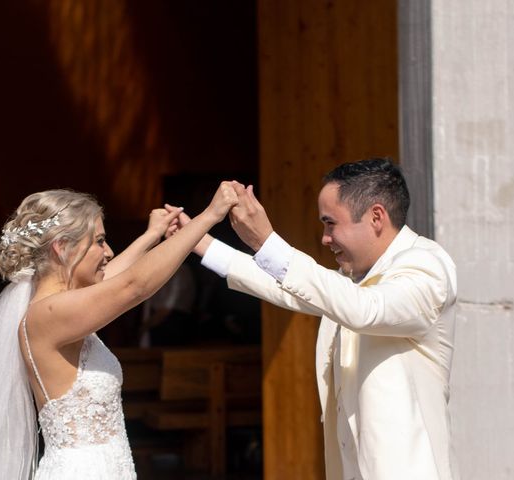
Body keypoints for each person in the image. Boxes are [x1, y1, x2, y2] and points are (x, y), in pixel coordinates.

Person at [169, 159, 458, 479]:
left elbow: (367, 310)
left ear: (376, 216)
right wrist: (198, 241)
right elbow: (285, 286)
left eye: (330, 223)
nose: (324, 238)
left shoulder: (426, 265)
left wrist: (267, 241)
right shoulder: (354, 281)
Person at [0, 186, 237, 479]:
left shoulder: (62, 306)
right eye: (99, 241)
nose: (108, 252)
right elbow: (131, 286)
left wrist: (151, 236)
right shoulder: (48, 314)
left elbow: (114, 279)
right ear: (61, 248)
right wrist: (209, 217)